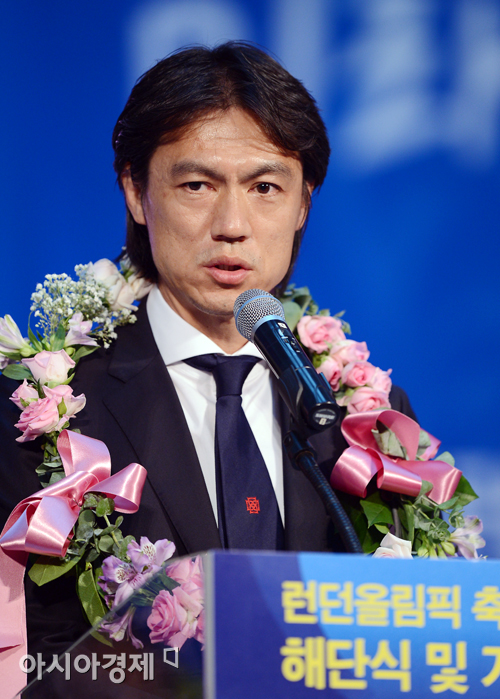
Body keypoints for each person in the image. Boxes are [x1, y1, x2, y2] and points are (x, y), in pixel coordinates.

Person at [0, 42, 416, 669]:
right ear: (136, 191)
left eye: (265, 187)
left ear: (303, 204)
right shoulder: (38, 419)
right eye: (197, 184)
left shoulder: (363, 418)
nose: (232, 224)